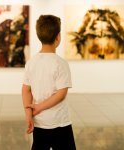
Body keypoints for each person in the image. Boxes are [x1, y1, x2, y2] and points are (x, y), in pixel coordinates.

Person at [22, 15, 76, 150]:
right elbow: (61, 94)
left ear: (39, 36)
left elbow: (25, 90)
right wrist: (38, 107)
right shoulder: (61, 63)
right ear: (58, 37)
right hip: (60, 123)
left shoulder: (31, 62)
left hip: (40, 123)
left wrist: (29, 113)